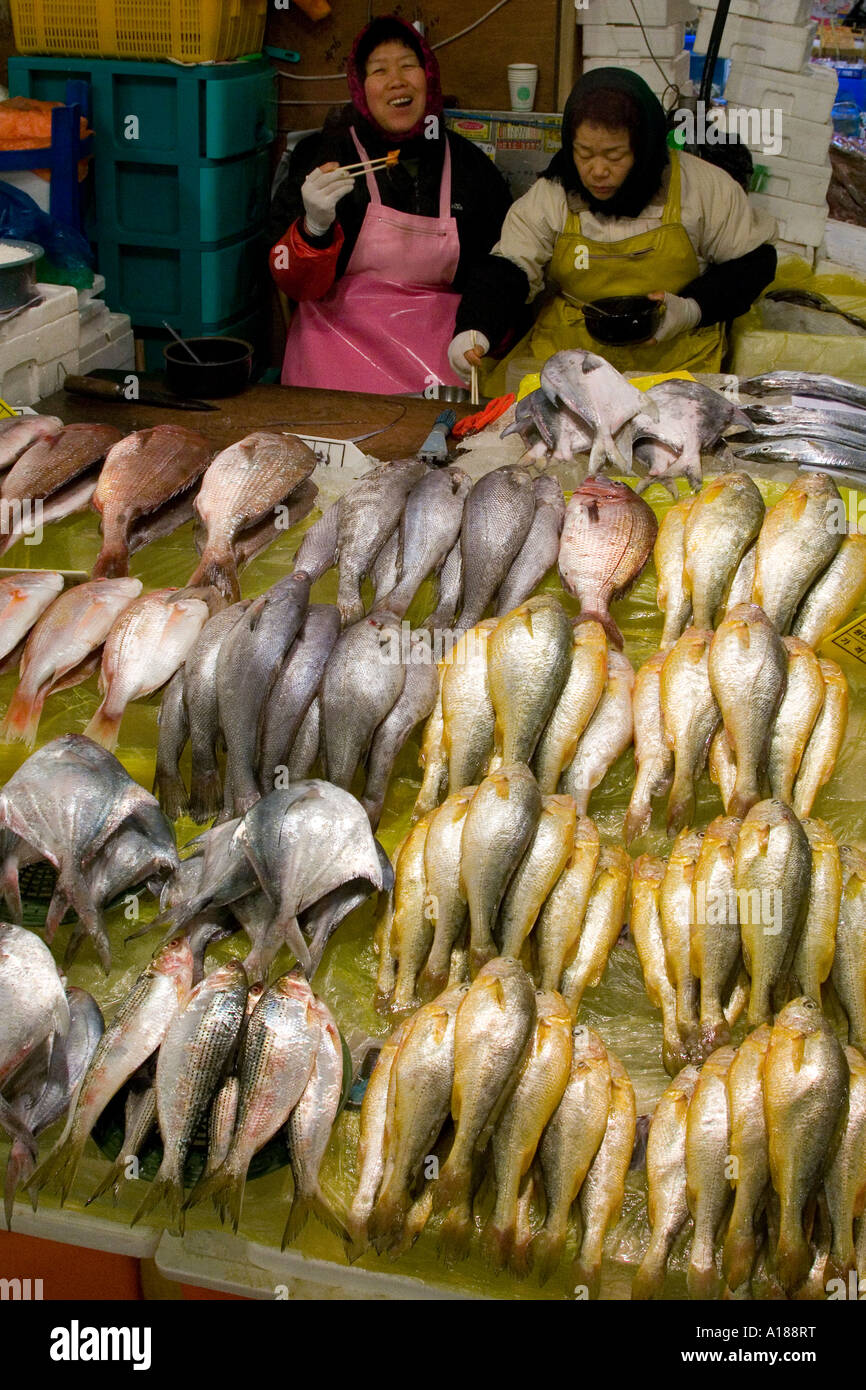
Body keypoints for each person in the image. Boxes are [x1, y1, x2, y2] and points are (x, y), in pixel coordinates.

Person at [448, 67, 778, 394]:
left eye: (615, 155)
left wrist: (692, 308)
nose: (598, 171)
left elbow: (751, 264)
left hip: (675, 367)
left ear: (644, 147)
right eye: (584, 154)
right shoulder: (554, 194)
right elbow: (509, 268)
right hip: (570, 363)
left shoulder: (703, 188)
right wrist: (475, 328)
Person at [268, 15, 512, 394]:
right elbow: (292, 283)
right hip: (334, 352)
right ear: (360, 88)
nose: (396, 80)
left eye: (408, 66)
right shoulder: (325, 156)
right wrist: (312, 229)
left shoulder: (471, 168)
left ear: (428, 77)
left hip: (441, 354)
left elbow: (499, 269)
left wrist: (478, 331)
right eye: (379, 70)